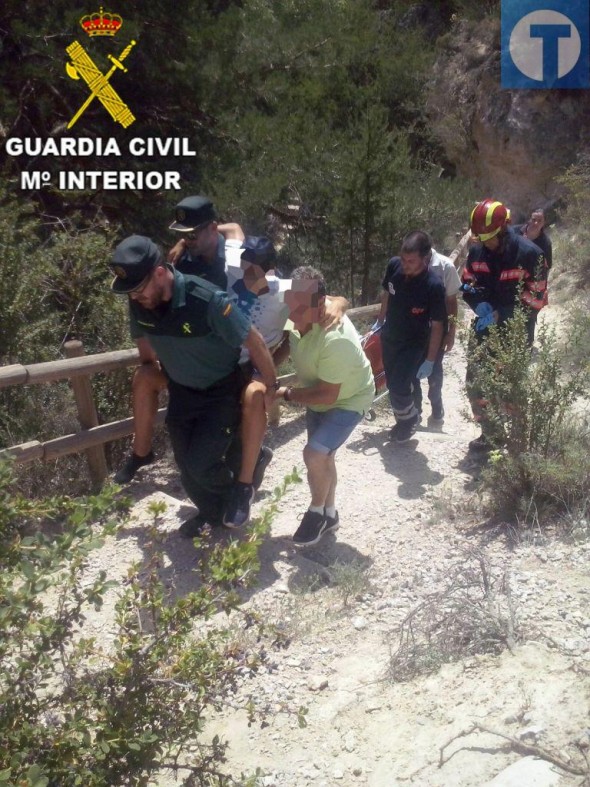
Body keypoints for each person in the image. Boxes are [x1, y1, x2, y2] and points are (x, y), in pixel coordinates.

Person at [109, 235, 278, 537]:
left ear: (160, 272)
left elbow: (253, 340)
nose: (135, 297)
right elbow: (146, 351)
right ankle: (212, 514)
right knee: (185, 467)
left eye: (138, 289)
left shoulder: (207, 300)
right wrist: (154, 375)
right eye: (130, 293)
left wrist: (271, 386)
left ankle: (245, 483)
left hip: (221, 390)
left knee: (201, 464)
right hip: (182, 390)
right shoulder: (139, 303)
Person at [272, 267, 374, 547]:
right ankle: (330, 514)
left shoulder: (335, 336)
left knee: (315, 454)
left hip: (349, 399)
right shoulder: (300, 309)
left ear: (319, 306)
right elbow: (286, 341)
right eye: (289, 303)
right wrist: (268, 368)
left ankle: (316, 513)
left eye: (298, 307)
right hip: (321, 392)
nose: (291, 313)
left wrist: (284, 394)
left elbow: (328, 395)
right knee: (322, 457)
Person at [462, 198, 548, 452]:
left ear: (503, 230)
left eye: (489, 237)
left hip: (517, 331)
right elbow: (467, 284)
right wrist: (478, 303)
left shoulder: (531, 255)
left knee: (511, 385)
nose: (485, 243)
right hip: (484, 329)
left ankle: (519, 441)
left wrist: (504, 313)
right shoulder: (477, 252)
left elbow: (537, 297)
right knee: (476, 382)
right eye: (481, 237)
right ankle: (491, 434)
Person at [376, 231, 447, 443]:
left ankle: (410, 420)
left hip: (414, 343)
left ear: (425, 259)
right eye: (403, 259)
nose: (405, 264)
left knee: (399, 384)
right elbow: (387, 293)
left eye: (411, 261)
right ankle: (405, 420)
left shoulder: (433, 286)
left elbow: (437, 325)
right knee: (393, 384)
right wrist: (380, 321)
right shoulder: (394, 266)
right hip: (390, 336)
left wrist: (431, 359)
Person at [412, 243, 462, 423]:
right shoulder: (411, 263)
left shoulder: (445, 266)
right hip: (414, 328)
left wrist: (451, 333)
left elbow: (451, 301)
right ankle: (414, 411)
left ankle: (436, 408)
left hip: (438, 328)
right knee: (412, 372)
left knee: (434, 371)